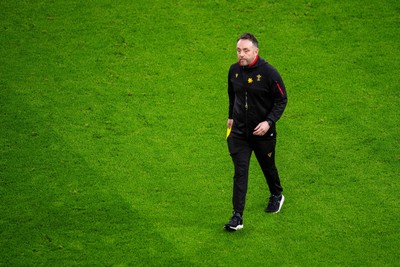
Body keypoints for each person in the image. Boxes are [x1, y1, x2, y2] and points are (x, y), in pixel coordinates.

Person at [224, 33, 288, 231]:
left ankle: (277, 194)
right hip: (239, 134)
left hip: (262, 134)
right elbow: (232, 95)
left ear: (256, 51)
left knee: (267, 167)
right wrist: (231, 117)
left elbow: (282, 99)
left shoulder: (269, 73)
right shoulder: (234, 70)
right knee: (240, 173)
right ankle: (237, 216)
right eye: (238, 50)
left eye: (245, 51)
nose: (241, 54)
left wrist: (269, 122)